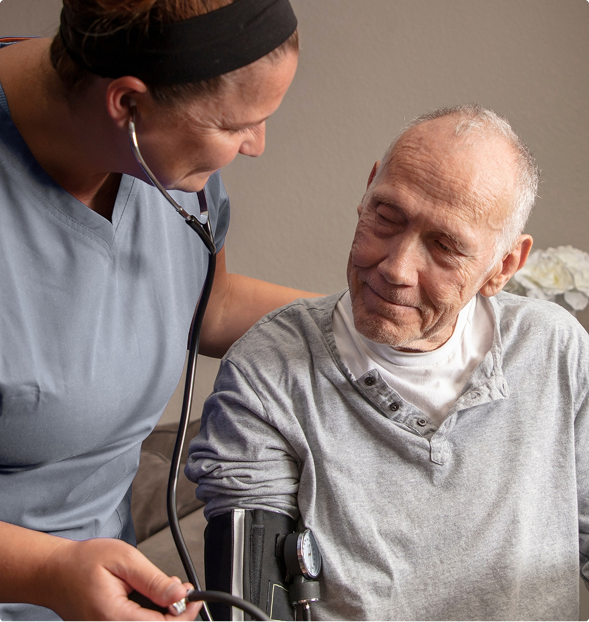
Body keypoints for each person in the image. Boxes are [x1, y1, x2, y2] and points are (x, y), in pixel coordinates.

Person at [188, 104, 589, 621]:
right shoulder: (267, 372)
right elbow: (248, 610)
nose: (396, 268)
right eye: (387, 216)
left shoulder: (553, 349)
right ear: (368, 190)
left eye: (445, 247)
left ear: (504, 265)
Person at [0, 1, 321, 620]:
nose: (255, 145)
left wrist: (364, 323)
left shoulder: (166, 163)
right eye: (236, 125)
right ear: (127, 104)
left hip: (105, 581)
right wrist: (50, 574)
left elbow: (205, 300)